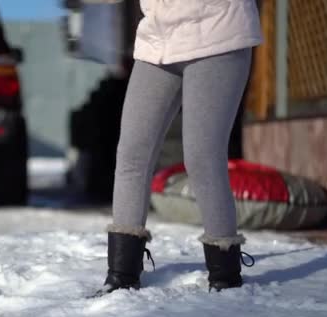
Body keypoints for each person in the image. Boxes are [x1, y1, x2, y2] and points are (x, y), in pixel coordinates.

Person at [100, 0, 263, 294]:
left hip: (216, 31)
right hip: (158, 40)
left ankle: (225, 275)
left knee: (203, 155)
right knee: (131, 154)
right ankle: (121, 274)